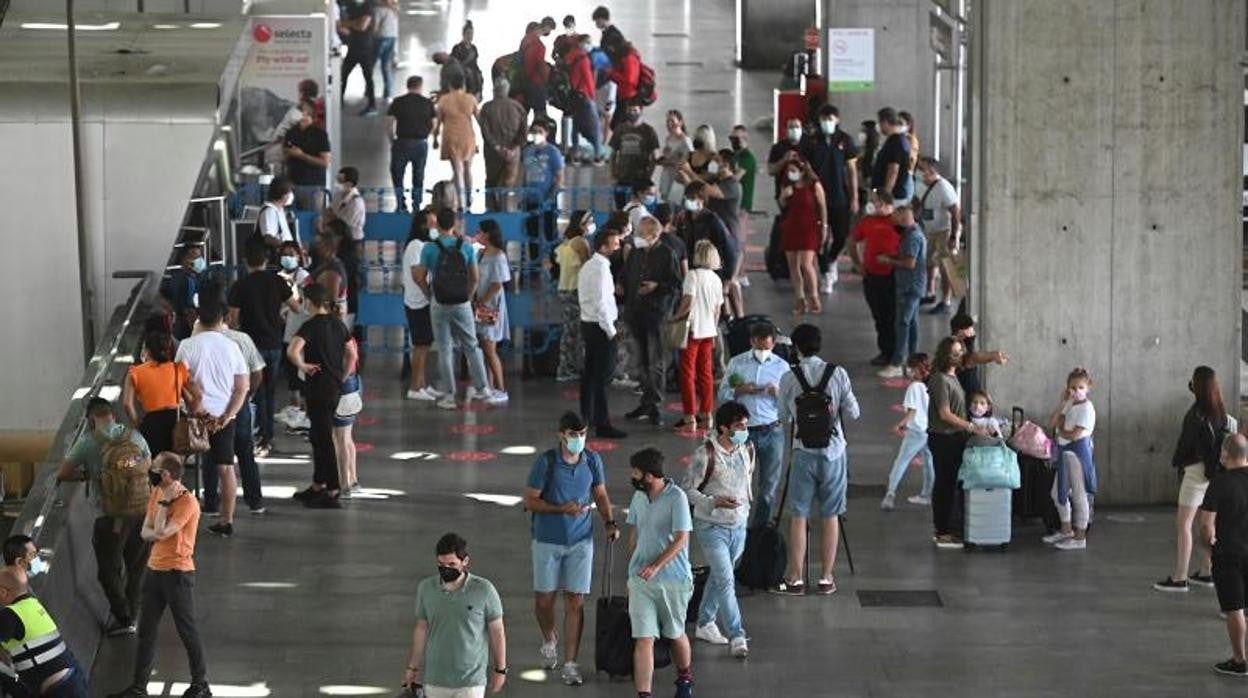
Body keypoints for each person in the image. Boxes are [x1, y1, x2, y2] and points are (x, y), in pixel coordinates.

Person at [522, 412, 618, 685]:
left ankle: (571, 662)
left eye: (583, 434)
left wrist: (609, 521)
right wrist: (559, 509)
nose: (579, 439)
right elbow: (529, 501)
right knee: (545, 600)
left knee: (575, 600)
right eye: (574, 435)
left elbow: (600, 493)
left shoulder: (592, 460)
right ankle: (549, 637)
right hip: (547, 541)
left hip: (581, 541)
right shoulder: (546, 463)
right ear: (561, 435)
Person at [107, 453, 209, 698]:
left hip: (177, 574)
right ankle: (139, 687)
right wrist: (159, 518)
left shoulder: (187, 503)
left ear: (166, 474)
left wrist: (164, 508)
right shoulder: (156, 493)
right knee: (146, 630)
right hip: (154, 570)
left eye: (155, 469)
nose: (150, 471)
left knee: (187, 629)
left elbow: (162, 533)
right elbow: (145, 532)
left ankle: (201, 683)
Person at [773, 324, 860, 596]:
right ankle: (826, 578)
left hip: (803, 452)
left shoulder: (788, 377)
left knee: (798, 515)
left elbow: (782, 417)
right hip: (834, 453)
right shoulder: (838, 374)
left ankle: (796, 578)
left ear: (796, 347)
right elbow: (854, 412)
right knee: (831, 514)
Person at [55, 398, 151, 636]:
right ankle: (133, 613)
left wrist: (89, 474)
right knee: (136, 567)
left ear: (90, 419)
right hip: (141, 511)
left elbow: (64, 472)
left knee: (108, 569)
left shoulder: (89, 442)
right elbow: (148, 463)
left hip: (109, 516)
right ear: (113, 416)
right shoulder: (134, 437)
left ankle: (123, 616)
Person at [681, 401, 754, 659]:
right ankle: (737, 635)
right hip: (711, 526)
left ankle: (705, 622)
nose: (744, 430)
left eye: (746, 424)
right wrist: (713, 502)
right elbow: (688, 490)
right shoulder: (705, 454)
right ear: (723, 428)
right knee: (726, 579)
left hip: (738, 524)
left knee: (720, 575)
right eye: (738, 426)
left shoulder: (747, 449)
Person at [179, 284, 253, 537]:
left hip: (193, 418)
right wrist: (227, 415)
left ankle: (176, 517)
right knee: (225, 468)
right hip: (222, 419)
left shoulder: (187, 346)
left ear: (199, 317)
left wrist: (198, 411)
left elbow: (179, 383)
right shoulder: (232, 347)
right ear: (223, 319)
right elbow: (242, 387)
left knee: (176, 463)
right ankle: (226, 519)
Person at [1158, 366, 1240, 592]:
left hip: (1195, 474)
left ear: (1198, 385)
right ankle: (1207, 571)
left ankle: (1180, 577)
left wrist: (1179, 462)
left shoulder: (1196, 414)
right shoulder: (1223, 414)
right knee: (1207, 524)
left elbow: (1186, 447)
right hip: (1216, 476)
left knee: (1184, 524)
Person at [626, 447, 695, 698]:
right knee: (644, 639)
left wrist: (656, 565)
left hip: (673, 581)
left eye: (636, 472)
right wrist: (632, 571)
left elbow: (681, 540)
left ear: (649, 476)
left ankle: (685, 678)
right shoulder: (639, 497)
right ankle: (644, 694)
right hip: (642, 581)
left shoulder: (676, 498)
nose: (632, 476)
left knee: (675, 633)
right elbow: (633, 532)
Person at [403, 533, 508, 697]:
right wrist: (412, 667)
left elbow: (497, 631)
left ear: (465, 561)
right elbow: (421, 629)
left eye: (452, 564)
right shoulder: (426, 588)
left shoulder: (484, 590)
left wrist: (500, 669)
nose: (446, 569)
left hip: (471, 681)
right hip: (435, 678)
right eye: (441, 564)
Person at [416, 209, 500, 409]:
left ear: (436, 225)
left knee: (445, 349)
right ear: (455, 224)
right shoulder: (466, 247)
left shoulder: (429, 248)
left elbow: (419, 276)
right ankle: (483, 389)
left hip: (439, 302)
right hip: (461, 303)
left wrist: (430, 295)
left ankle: (449, 396)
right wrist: (468, 297)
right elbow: (475, 278)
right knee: (471, 345)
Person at [287, 283, 358, 509]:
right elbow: (352, 354)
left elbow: (292, 350)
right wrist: (341, 376)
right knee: (318, 437)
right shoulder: (339, 325)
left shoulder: (309, 326)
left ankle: (333, 489)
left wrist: (303, 365)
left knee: (324, 440)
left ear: (311, 302)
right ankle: (318, 483)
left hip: (317, 389)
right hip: (334, 389)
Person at [227, 241, 299, 456]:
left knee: (253, 391)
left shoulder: (241, 285)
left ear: (245, 261)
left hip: (252, 345)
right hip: (274, 343)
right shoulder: (277, 281)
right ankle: (268, 437)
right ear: (266, 260)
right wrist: (278, 310)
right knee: (270, 391)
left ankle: (256, 435)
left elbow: (232, 319)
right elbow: (296, 306)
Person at [719, 321, 788, 527]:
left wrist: (778, 395)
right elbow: (722, 395)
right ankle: (737, 521)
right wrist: (738, 391)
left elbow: (791, 404)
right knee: (737, 481)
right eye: (758, 347)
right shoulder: (737, 363)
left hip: (773, 430)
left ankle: (761, 527)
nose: (762, 351)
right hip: (743, 432)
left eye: (766, 348)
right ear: (751, 342)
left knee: (769, 485)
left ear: (773, 344)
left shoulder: (782, 368)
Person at [927, 337, 989, 549]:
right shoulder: (939, 380)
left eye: (959, 352)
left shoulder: (953, 377)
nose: (958, 356)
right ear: (945, 354)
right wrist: (970, 427)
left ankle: (947, 528)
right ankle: (942, 531)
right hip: (944, 437)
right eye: (954, 353)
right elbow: (945, 414)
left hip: (954, 437)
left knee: (950, 483)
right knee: (945, 484)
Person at [621, 215, 681, 426]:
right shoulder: (636, 253)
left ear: (655, 234)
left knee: (655, 360)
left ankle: (655, 403)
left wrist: (657, 287)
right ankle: (645, 401)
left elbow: (675, 285)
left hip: (656, 314)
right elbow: (626, 276)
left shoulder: (667, 254)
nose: (637, 236)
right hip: (635, 312)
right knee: (640, 360)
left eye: (642, 233)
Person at [1198, 433, 1248, 677]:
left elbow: (1207, 524)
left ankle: (1240, 661)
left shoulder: (1220, 482)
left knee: (1235, 608)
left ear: (1226, 455)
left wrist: (1208, 547)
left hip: (1229, 554)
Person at [0, 567, 90, 697]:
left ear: (3, 592)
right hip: (71, 677)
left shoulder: (10, 615)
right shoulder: (32, 604)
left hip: (59, 690)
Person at [801, 104, 860, 295]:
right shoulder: (811, 141)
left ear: (837, 120)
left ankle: (833, 260)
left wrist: (854, 196)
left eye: (830, 119)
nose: (827, 123)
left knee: (841, 234)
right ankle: (825, 271)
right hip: (817, 196)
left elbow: (851, 170)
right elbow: (804, 167)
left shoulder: (845, 140)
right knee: (819, 237)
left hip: (839, 195)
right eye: (824, 119)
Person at [577, 229, 628, 439]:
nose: (619, 247)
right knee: (602, 377)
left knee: (590, 374)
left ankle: (586, 415)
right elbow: (601, 303)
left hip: (588, 324)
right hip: (600, 327)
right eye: (615, 244)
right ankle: (602, 422)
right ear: (604, 247)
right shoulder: (600, 270)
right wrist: (611, 331)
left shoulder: (590, 266)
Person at [1042, 367, 1098, 551]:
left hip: (1077, 454)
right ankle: (1066, 529)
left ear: (1088, 387)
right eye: (1073, 387)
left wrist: (1062, 430)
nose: (1076, 391)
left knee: (1080, 495)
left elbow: (1074, 435)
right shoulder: (1070, 403)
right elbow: (1052, 423)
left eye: (1080, 387)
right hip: (1064, 453)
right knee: (1057, 493)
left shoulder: (1087, 408)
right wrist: (1062, 402)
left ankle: (1080, 535)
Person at [674, 240, 725, 432]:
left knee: (687, 374)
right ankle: (707, 414)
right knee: (706, 374)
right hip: (709, 331)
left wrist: (675, 317)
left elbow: (688, 302)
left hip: (693, 330)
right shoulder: (716, 279)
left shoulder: (692, 276)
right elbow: (717, 310)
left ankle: (689, 416)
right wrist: (712, 326)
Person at [874, 204, 926, 378]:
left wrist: (889, 262)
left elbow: (910, 263)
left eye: (896, 216)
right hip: (912, 285)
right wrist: (892, 257)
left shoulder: (913, 237)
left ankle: (898, 362)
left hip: (909, 286)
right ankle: (912, 361)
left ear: (904, 217)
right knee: (911, 323)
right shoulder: (911, 234)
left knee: (903, 322)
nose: (892, 220)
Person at [847, 190, 898, 366]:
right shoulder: (867, 222)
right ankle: (885, 351)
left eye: (876, 201)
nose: (872, 205)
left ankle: (898, 352)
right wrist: (857, 263)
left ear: (885, 203)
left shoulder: (897, 221)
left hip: (894, 276)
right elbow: (852, 241)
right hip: (872, 275)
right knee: (879, 315)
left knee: (894, 316)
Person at [123, 331, 191, 456]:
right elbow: (194, 396)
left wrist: (137, 423)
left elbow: (127, 404)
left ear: (147, 350)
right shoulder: (178, 369)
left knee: (154, 464)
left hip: (152, 422)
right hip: (177, 420)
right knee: (175, 465)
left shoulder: (135, 372)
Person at [778, 157, 827, 315]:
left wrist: (824, 227)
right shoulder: (788, 185)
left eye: (793, 170)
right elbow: (783, 206)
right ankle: (799, 299)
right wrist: (783, 197)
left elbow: (823, 206)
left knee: (806, 264)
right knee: (793, 265)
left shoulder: (814, 185)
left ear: (802, 171)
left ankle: (813, 296)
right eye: (789, 171)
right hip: (792, 226)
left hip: (809, 227)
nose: (790, 173)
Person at [402, 209, 441, 401]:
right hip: (418, 302)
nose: (435, 227)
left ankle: (423, 384)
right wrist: (430, 295)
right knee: (420, 345)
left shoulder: (424, 245)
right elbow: (418, 276)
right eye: (432, 223)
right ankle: (415, 387)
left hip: (421, 301)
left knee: (425, 345)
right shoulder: (416, 246)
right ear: (422, 225)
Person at [915, 157, 961, 312]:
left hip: (944, 230)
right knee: (929, 262)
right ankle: (930, 292)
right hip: (930, 230)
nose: (919, 172)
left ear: (931, 171)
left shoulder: (943, 187)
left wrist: (953, 236)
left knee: (945, 266)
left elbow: (955, 211)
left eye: (922, 169)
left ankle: (946, 300)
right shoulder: (922, 185)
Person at [475, 220, 512, 402]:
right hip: (482, 304)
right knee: (484, 346)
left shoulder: (498, 256)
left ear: (488, 234)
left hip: (491, 306)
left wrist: (481, 301)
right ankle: (488, 387)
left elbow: (497, 284)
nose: (477, 235)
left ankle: (501, 388)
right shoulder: (482, 254)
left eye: (480, 232)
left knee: (490, 348)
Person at [387, 76, 438, 213]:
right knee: (419, 173)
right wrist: (426, 135)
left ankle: (400, 202)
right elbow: (434, 124)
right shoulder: (427, 103)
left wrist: (392, 139)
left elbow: (389, 123)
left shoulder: (398, 102)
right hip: (420, 143)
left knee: (397, 173)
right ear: (420, 86)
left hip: (402, 141)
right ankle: (416, 203)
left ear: (408, 86)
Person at [555, 211, 593, 383]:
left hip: (564, 289)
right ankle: (567, 369)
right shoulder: (580, 242)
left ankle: (567, 366)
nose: (592, 224)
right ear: (581, 224)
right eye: (590, 221)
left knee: (569, 330)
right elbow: (588, 267)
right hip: (576, 290)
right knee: (575, 332)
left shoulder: (566, 242)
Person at [479, 77, 529, 208]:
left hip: (492, 153)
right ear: (508, 90)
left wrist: (497, 147)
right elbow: (524, 132)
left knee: (491, 182)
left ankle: (491, 209)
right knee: (509, 183)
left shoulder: (486, 108)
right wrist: (514, 148)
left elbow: (485, 132)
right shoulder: (518, 107)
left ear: (494, 90)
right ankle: (506, 209)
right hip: (513, 153)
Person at [433, 73, 479, 209]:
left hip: (451, 136)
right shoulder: (470, 99)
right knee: (467, 169)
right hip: (468, 136)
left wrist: (435, 137)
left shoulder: (444, 100)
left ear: (450, 85)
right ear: (463, 85)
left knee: (457, 170)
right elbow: (479, 118)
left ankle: (461, 201)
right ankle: (469, 197)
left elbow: (439, 121)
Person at [609, 104, 661, 209]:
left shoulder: (648, 131)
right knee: (621, 208)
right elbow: (613, 154)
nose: (632, 112)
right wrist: (613, 174)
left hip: (641, 177)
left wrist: (649, 174)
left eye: (635, 110)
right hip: (623, 176)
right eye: (630, 109)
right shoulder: (620, 129)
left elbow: (654, 156)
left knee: (640, 208)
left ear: (640, 111)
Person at [521, 120, 566, 240]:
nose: (536, 134)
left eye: (540, 131)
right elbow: (524, 174)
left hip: (547, 199)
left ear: (546, 133)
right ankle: (535, 257)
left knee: (550, 232)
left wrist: (551, 196)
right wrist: (522, 194)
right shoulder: (527, 151)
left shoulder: (553, 152)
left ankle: (552, 257)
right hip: (530, 199)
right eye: (534, 131)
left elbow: (559, 176)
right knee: (531, 233)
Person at [284, 102, 332, 209]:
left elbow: (325, 162)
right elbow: (285, 155)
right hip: (292, 183)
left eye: (303, 112)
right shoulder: (291, 133)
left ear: (310, 115)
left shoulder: (319, 134)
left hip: (313, 185)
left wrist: (302, 155)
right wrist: (288, 153)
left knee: (311, 217)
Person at [563, 33, 602, 165]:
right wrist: (592, 97)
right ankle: (598, 155)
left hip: (574, 95)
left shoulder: (570, 56)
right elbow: (588, 79)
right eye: (588, 42)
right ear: (581, 43)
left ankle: (574, 153)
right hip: (584, 95)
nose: (589, 45)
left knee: (576, 125)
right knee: (595, 125)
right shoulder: (583, 59)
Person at [949, 313, 1009, 396]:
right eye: (969, 329)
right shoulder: (954, 345)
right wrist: (993, 356)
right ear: (960, 331)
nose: (972, 332)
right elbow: (972, 358)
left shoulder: (966, 341)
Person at [338, 0, 377, 116]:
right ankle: (339, 101)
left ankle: (372, 105)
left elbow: (362, 26)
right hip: (353, 46)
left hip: (365, 47)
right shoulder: (351, 5)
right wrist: (352, 23)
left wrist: (346, 23)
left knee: (368, 77)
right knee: (343, 75)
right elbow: (342, 26)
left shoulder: (368, 5)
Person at [159, 244, 206, 340]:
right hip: (185, 328)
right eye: (194, 257)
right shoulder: (179, 279)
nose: (199, 260)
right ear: (184, 260)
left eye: (200, 257)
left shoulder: (198, 279)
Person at [870, 107, 913, 202]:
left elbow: (893, 170)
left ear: (885, 122)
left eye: (880, 123)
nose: (879, 127)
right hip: (891, 195)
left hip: (893, 197)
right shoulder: (900, 139)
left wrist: (885, 196)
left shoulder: (896, 142)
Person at [604, 39, 642, 132]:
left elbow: (629, 79)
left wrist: (612, 74)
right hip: (625, 95)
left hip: (628, 96)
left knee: (618, 124)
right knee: (618, 125)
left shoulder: (629, 59)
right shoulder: (629, 57)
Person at [766, 118, 804, 202]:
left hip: (804, 194)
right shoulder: (777, 148)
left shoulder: (808, 146)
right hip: (783, 194)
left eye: (797, 127)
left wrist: (802, 164)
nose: (794, 130)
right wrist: (784, 160)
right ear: (785, 130)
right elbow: (771, 170)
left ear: (802, 129)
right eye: (791, 127)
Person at [658, 111, 692, 203]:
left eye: (672, 121)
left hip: (678, 180)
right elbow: (668, 157)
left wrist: (669, 161)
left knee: (675, 206)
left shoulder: (685, 140)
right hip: (667, 177)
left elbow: (688, 162)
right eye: (668, 121)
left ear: (680, 122)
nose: (669, 124)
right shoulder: (668, 138)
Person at [255, 177, 297, 251]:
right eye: (289, 192)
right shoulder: (269, 211)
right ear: (283, 195)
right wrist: (285, 247)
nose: (291, 196)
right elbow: (268, 238)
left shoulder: (279, 210)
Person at [371, 0, 399, 100]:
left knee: (370, 65)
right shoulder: (393, 9)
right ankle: (388, 92)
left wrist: (370, 37)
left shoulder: (377, 10)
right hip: (392, 38)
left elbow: (375, 27)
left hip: (380, 38)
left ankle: (368, 89)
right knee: (386, 66)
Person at [451, 20, 484, 99]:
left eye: (472, 34)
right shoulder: (457, 48)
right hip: (462, 74)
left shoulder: (474, 48)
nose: (470, 36)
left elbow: (475, 64)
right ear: (463, 34)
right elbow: (454, 64)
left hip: (473, 74)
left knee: (479, 76)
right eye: (468, 33)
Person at [729, 124, 757, 213]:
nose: (733, 141)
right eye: (731, 138)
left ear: (745, 139)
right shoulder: (734, 156)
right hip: (732, 203)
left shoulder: (747, 157)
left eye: (736, 139)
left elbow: (735, 179)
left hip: (742, 206)